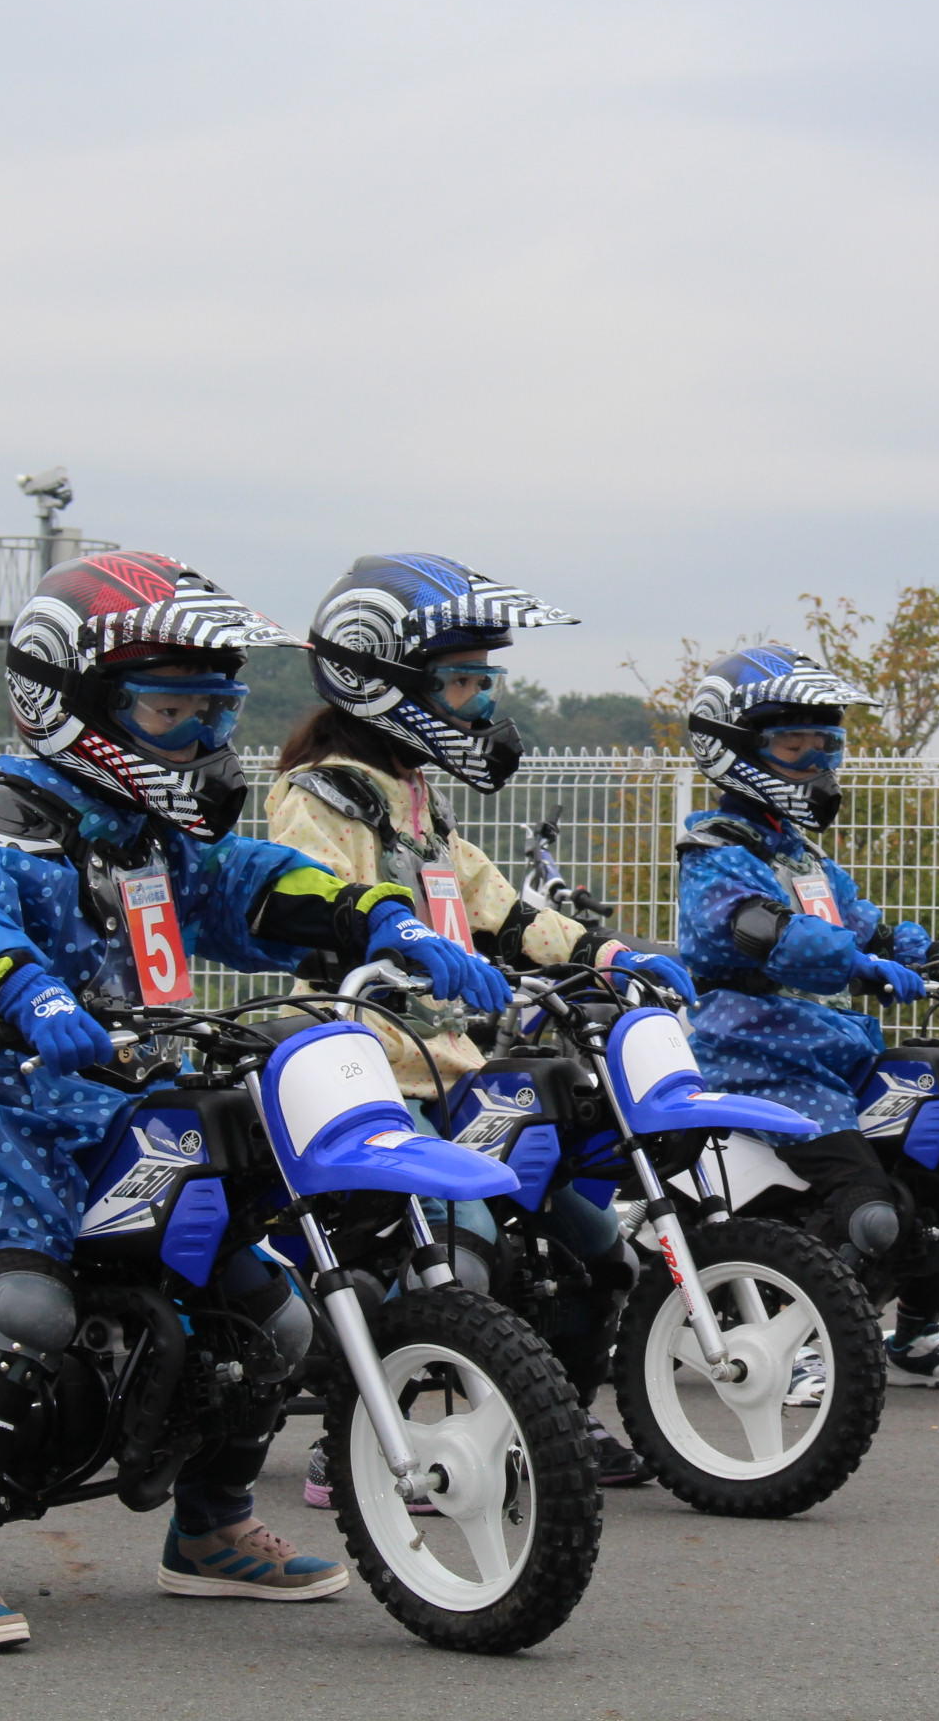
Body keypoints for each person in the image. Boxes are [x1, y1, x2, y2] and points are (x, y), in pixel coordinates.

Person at [0, 551, 509, 1651]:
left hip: (139, 1108)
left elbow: (257, 884)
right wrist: (28, 992)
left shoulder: (159, 831)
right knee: (27, 1315)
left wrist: (382, 921)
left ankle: (213, 1529)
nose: (197, 738)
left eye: (212, 711)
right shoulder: (9, 817)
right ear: (71, 703)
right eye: (169, 708)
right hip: (12, 1123)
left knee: (266, 1313)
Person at [270, 552, 694, 1501]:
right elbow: (320, 902)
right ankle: (354, 1443)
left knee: (591, 1249)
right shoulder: (322, 797)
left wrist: (611, 956)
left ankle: (548, 1425)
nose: (479, 702)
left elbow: (502, 910)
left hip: (450, 1071)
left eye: (483, 680)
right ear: (386, 684)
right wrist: (396, 930)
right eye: (462, 680)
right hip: (362, 1076)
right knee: (457, 1256)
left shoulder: (417, 801)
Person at [675, 644, 939, 1390]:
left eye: (827, 747)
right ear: (737, 749)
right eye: (796, 746)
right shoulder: (717, 854)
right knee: (869, 1207)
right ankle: (793, 1345)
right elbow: (762, 931)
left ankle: (918, 1338)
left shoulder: (803, 857)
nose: (817, 764)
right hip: (765, 1064)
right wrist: (857, 967)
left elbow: (865, 925)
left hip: (834, 1056)